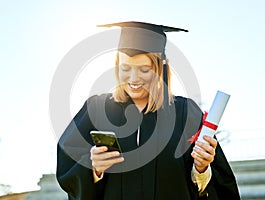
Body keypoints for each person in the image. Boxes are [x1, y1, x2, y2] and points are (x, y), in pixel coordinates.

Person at [56, 21, 240, 200]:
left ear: (159, 69)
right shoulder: (96, 109)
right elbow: (69, 167)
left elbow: (214, 186)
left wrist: (201, 169)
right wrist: (94, 168)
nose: (133, 79)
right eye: (125, 68)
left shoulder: (185, 113)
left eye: (144, 69)